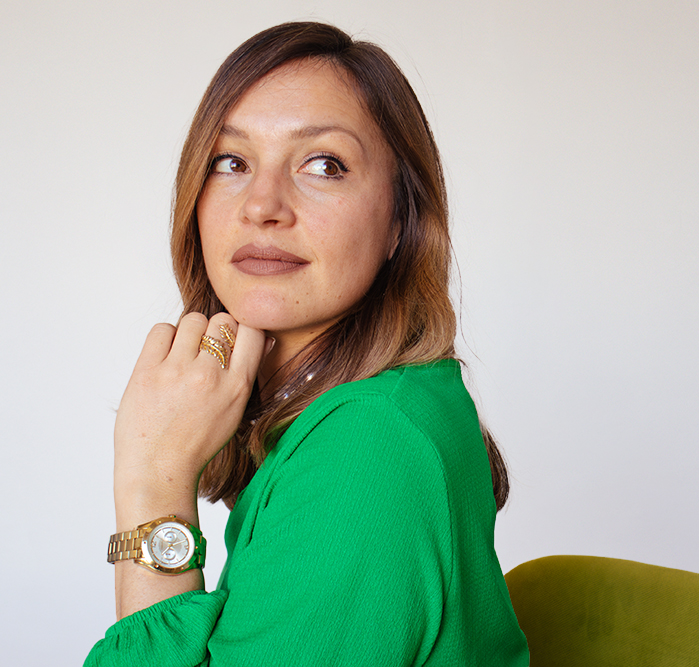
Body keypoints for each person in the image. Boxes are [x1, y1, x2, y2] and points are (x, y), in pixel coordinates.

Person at [85, 21, 530, 666]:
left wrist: (151, 487)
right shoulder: (356, 412)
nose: (262, 205)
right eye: (230, 162)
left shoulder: (371, 449)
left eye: (324, 165)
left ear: (400, 220)